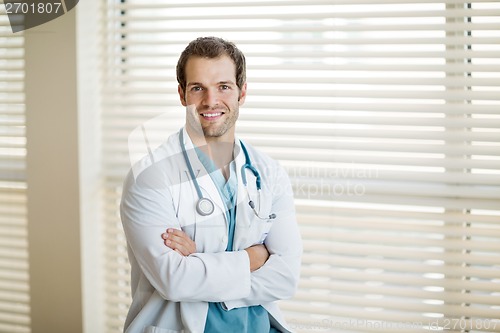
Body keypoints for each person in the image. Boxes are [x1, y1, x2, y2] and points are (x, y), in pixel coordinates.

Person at [120, 36, 302, 333]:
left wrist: (200, 263)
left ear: (242, 93)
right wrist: (254, 257)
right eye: (197, 88)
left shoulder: (269, 173)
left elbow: (285, 277)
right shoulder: (151, 177)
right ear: (182, 94)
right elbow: (175, 281)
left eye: (223, 87)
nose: (210, 101)